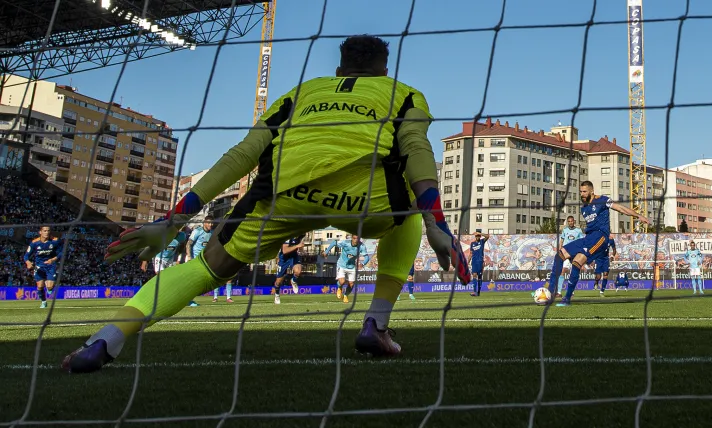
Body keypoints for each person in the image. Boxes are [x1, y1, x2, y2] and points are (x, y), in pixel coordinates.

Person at [61, 35, 469, 373]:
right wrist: (437, 222)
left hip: (282, 197)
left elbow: (242, 155)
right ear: (384, 70)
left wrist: (175, 219)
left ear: (340, 70)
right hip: (365, 200)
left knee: (207, 268)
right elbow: (416, 150)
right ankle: (376, 324)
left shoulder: (300, 94)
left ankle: (105, 341)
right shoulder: (405, 94)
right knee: (407, 217)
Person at [547, 181, 649, 306]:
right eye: (581, 192)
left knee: (576, 263)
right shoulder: (584, 208)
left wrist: (638, 215)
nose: (582, 194)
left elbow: (620, 208)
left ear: (591, 191)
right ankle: (551, 291)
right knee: (560, 255)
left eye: (584, 191)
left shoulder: (603, 200)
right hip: (588, 237)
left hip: (601, 237)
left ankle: (567, 298)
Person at [187, 216, 233, 303]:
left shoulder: (212, 233)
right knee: (194, 280)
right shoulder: (197, 231)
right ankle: (189, 299)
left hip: (207, 260)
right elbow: (189, 244)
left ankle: (221, 297)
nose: (211, 224)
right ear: (204, 222)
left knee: (218, 276)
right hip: (196, 260)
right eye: (209, 223)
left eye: (212, 223)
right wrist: (189, 257)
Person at [23, 225, 63, 309]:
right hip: (39, 267)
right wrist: (28, 262)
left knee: (49, 287)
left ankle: (49, 286)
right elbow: (26, 256)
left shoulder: (55, 241)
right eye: (45, 231)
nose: (47, 232)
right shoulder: (34, 243)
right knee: (40, 286)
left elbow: (62, 253)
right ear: (40, 232)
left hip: (50, 265)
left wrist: (53, 259)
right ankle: (44, 302)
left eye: (48, 230)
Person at [324, 234, 369, 303]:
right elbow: (334, 243)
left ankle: (345, 295)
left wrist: (362, 264)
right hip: (342, 265)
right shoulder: (345, 242)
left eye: (357, 239)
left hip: (352, 266)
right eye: (354, 238)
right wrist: (326, 252)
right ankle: (339, 288)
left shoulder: (361, 246)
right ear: (352, 238)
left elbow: (367, 257)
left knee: (351, 284)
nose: (356, 240)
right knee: (342, 281)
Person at [553, 216, 583, 298]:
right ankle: (559, 292)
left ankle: (571, 292)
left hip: (574, 254)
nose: (570, 222)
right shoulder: (565, 230)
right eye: (569, 221)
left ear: (574, 221)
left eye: (571, 221)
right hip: (566, 253)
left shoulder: (578, 231)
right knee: (562, 271)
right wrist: (559, 250)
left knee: (573, 273)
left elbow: (581, 242)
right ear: (567, 222)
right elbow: (562, 240)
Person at [273, 235, 305, 304]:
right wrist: (297, 246)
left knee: (298, 271)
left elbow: (300, 245)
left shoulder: (302, 234)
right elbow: (284, 250)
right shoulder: (288, 236)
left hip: (294, 256)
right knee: (278, 282)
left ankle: (293, 280)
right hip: (284, 258)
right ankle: (277, 294)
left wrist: (301, 249)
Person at [468, 230, 489, 297]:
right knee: (474, 275)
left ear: (480, 236)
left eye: (478, 236)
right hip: (474, 261)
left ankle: (478, 291)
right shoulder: (472, 244)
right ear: (475, 236)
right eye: (476, 236)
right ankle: (474, 291)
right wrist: (467, 262)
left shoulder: (482, 241)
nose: (477, 237)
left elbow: (487, 236)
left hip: (480, 261)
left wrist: (480, 233)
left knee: (479, 276)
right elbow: (470, 254)